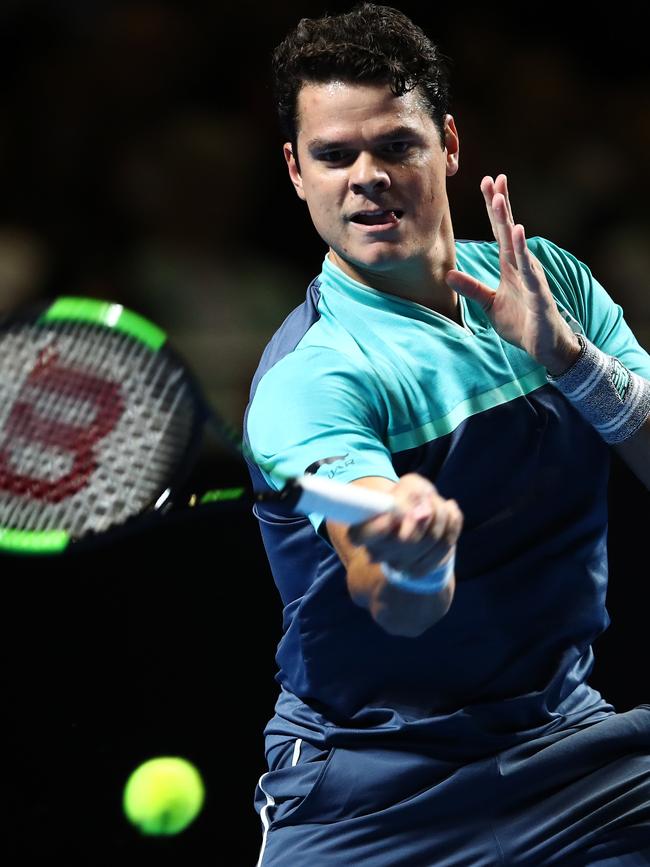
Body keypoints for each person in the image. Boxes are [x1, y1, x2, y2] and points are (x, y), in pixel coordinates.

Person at [244, 4, 650, 864]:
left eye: (396, 145)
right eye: (334, 154)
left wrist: (573, 361)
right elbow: (397, 598)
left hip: (571, 746)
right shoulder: (311, 377)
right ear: (295, 170)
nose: (367, 175)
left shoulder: (549, 285)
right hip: (372, 787)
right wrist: (413, 556)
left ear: (449, 145)